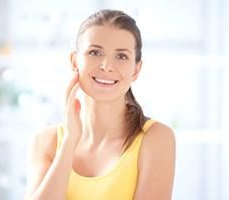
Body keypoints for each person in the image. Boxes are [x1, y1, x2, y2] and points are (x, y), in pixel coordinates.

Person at [25, 9, 176, 200]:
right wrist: (70, 140)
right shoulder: (46, 141)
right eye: (95, 52)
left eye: (121, 56)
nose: (106, 65)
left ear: (136, 70)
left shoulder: (155, 138)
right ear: (74, 61)